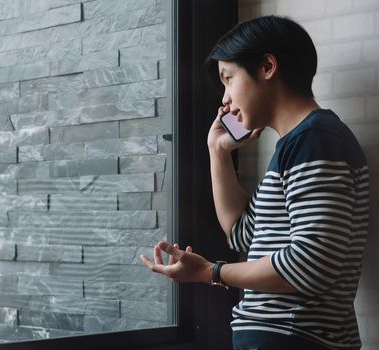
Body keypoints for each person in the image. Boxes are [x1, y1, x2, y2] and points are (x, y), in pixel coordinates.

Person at [140, 15, 369, 350]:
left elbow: (310, 264)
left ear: (267, 66)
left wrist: (211, 272)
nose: (225, 100)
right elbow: (242, 232)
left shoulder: (315, 141)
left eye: (228, 79)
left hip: (293, 337)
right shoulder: (297, 145)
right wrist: (217, 151)